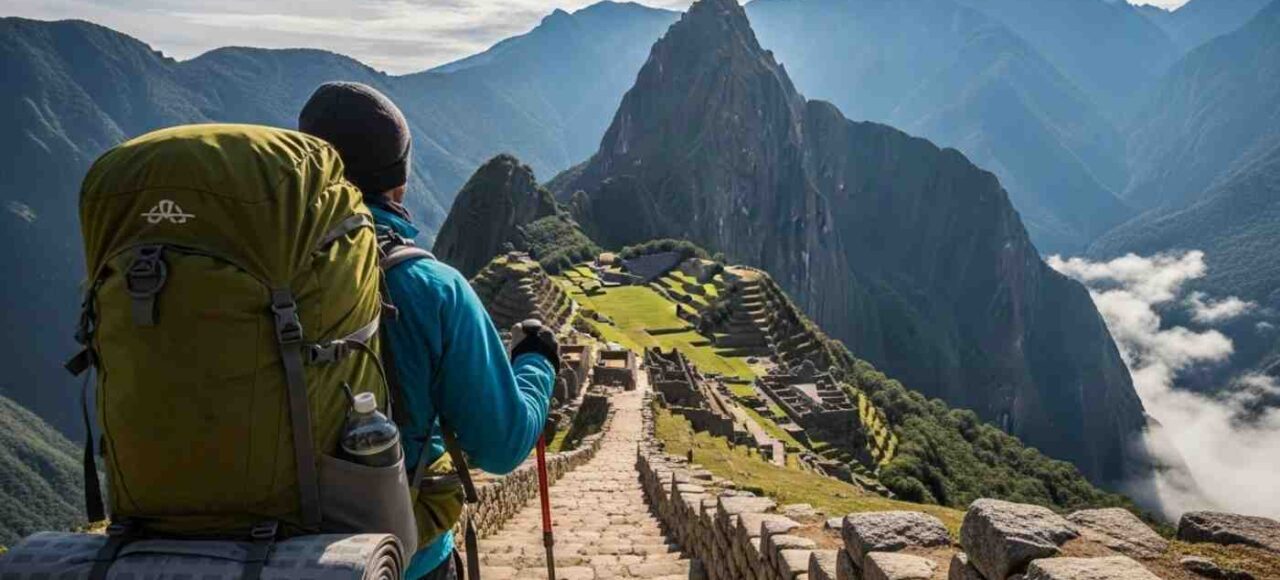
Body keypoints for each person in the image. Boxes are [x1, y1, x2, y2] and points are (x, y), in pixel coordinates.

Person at [298, 81, 559, 580]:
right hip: (400, 562)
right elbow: (502, 446)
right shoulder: (430, 287)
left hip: (248, 557)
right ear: (399, 181)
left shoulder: (248, 276)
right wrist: (535, 365)